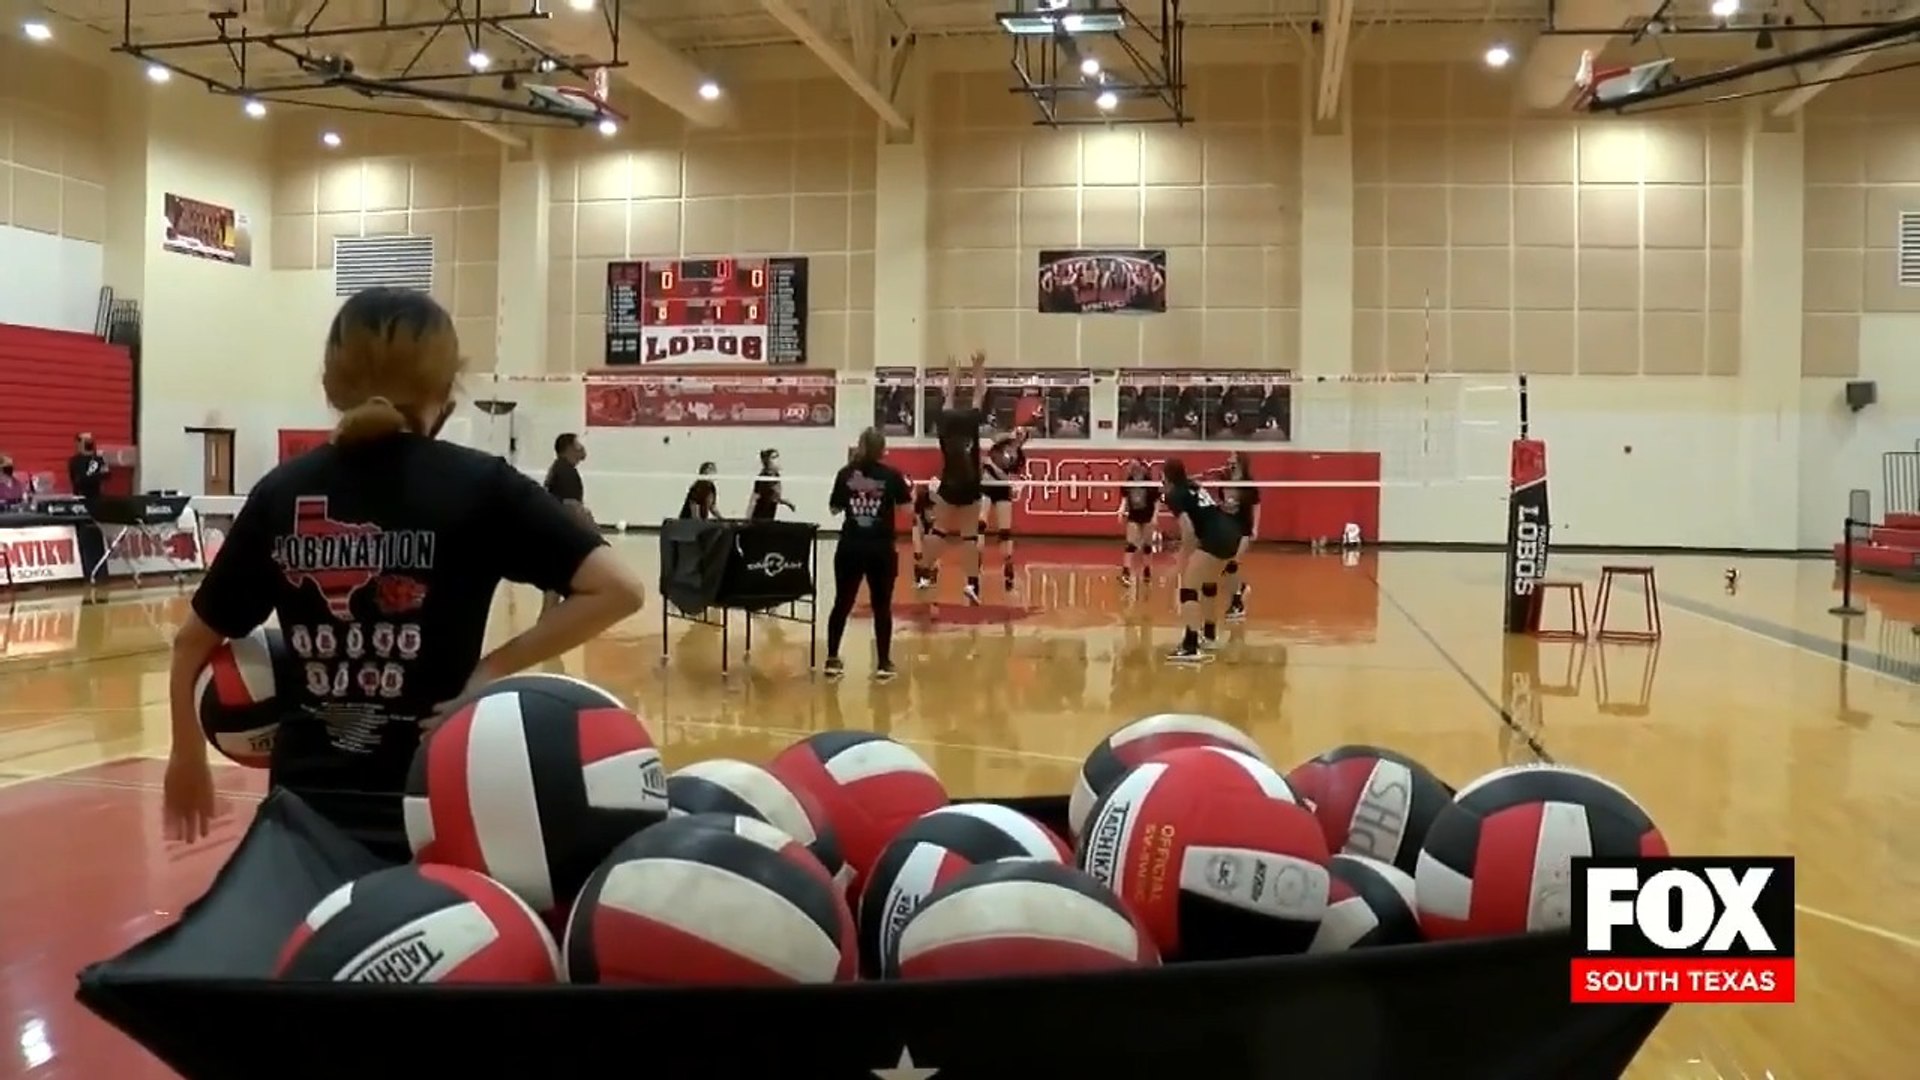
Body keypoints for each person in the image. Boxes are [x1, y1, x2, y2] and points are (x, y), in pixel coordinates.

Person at [161, 287, 646, 847]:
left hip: (304, 820)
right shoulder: (482, 486)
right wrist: (487, 674)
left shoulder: (283, 492)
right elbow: (619, 590)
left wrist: (185, 755)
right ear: (446, 391)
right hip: (437, 809)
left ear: (330, 385)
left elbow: (191, 644)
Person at [824, 427, 911, 681]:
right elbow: (907, 510)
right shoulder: (892, 475)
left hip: (851, 546)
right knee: (881, 606)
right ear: (882, 449)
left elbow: (834, 508)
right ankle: (883, 663)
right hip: (880, 549)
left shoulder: (846, 473)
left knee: (842, 602)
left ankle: (832, 659)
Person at [919, 349, 989, 604]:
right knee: (969, 536)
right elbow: (980, 393)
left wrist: (952, 374)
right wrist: (978, 367)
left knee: (939, 530)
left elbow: (948, 396)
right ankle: (971, 584)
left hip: (949, 483)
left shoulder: (944, 421)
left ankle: (924, 574)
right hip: (970, 485)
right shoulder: (971, 420)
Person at [1161, 457, 1243, 664]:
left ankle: (1190, 646)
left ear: (1166, 477)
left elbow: (1188, 532)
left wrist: (1180, 562)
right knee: (1208, 585)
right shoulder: (1193, 486)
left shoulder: (1174, 495)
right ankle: (1209, 635)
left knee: (1188, 589)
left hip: (1214, 538)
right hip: (1231, 533)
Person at [978, 426, 1031, 594]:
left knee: (1005, 531)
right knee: (980, 524)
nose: (1018, 436)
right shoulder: (1000, 444)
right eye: (1017, 432)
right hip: (986, 486)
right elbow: (993, 437)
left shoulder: (1020, 458)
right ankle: (976, 562)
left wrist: (992, 466)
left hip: (1002, 489)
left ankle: (1008, 566)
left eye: (1022, 435)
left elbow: (1007, 478)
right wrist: (1009, 434)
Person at [1218, 451, 1259, 620]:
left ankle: (1237, 603)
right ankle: (1240, 589)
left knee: (1232, 564)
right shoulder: (1224, 478)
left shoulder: (1248, 483)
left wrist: (1255, 527)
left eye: (1233, 458)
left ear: (1241, 462)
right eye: (1229, 458)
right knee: (1223, 568)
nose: (1229, 460)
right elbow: (1222, 501)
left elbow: (1256, 505)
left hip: (1243, 528)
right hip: (1228, 527)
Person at [1116, 458, 1158, 588]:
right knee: (1131, 544)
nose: (1132, 467)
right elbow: (1125, 499)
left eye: (1135, 465)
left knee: (1147, 546)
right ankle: (1126, 571)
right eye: (1131, 465)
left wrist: (1155, 516)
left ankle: (1147, 570)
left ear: (1141, 467)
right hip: (1134, 516)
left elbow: (1156, 501)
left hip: (1148, 515)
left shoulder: (1149, 482)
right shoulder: (1128, 482)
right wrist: (1121, 510)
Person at [748, 448, 794, 521]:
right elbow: (758, 497)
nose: (777, 460)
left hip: (770, 511)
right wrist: (786, 502)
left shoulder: (775, 475)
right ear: (767, 460)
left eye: (777, 457)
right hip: (761, 513)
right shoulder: (764, 477)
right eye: (773, 457)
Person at [910, 482, 936, 588]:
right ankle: (922, 577)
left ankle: (929, 577)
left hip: (929, 526)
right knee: (920, 553)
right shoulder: (919, 507)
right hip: (920, 523)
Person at [68, 432, 108, 501]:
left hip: (95, 497)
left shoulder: (98, 459)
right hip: (81, 497)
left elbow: (107, 475)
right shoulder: (75, 461)